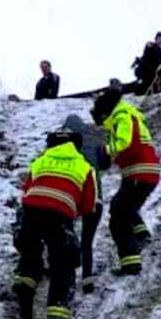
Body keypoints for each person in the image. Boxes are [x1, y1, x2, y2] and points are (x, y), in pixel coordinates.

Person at [13, 129, 96, 319]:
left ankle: (24, 310)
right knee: (63, 263)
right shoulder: (85, 166)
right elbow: (89, 206)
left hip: (30, 211)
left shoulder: (40, 161)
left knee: (30, 256)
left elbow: (26, 190)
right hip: (60, 214)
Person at [91, 87, 161, 277]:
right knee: (120, 205)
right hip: (140, 172)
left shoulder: (122, 116)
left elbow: (125, 142)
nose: (102, 124)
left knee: (118, 219)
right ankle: (141, 234)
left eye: (101, 119)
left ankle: (131, 262)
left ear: (105, 112)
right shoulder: (129, 115)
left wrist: (105, 151)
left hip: (140, 172)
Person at [63, 112, 112, 294]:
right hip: (95, 197)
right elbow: (106, 163)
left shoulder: (65, 145)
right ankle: (87, 280)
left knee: (67, 237)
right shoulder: (95, 138)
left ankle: (67, 277)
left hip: (72, 198)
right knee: (87, 241)